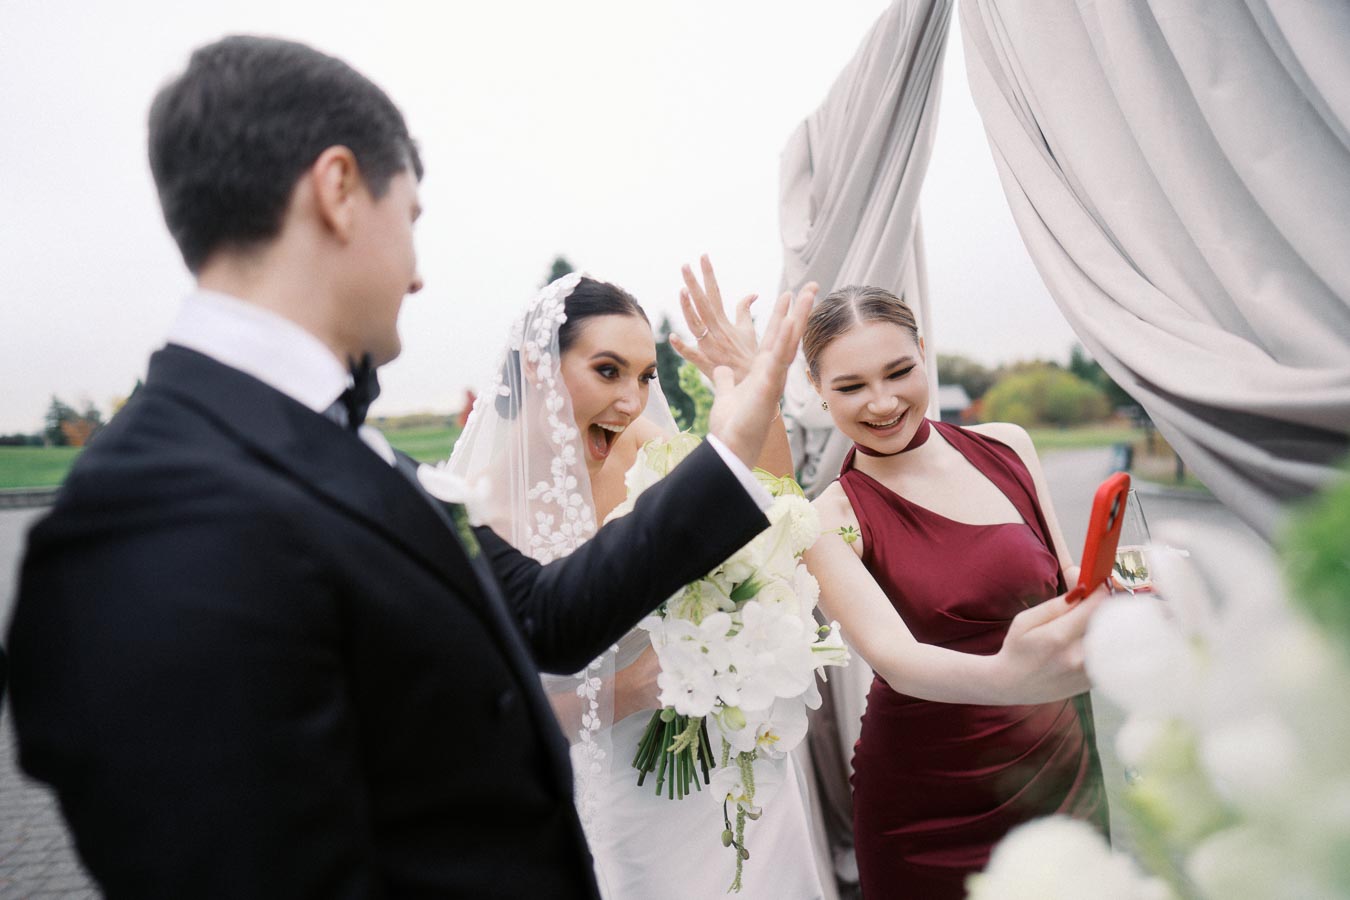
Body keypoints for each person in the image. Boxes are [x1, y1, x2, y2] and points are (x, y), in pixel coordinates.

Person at [4, 35, 812, 899]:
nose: (421, 275)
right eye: (413, 217)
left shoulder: (343, 443)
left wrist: (728, 449)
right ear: (340, 189)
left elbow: (545, 615)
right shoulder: (151, 512)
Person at [442, 264, 824, 898]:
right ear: (537, 367)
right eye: (608, 370)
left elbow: (770, 504)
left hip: (723, 776)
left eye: (646, 376)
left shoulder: (641, 444)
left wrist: (762, 391)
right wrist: (628, 690)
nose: (633, 400)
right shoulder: (478, 521)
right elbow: (483, 714)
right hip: (619, 801)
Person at [800, 285, 1109, 899]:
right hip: (927, 797)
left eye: (899, 372)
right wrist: (1016, 678)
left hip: (1059, 760)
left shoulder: (1008, 446)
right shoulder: (827, 517)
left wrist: (1118, 592)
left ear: (923, 350)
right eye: (851, 386)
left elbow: (1065, 578)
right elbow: (897, 660)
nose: (883, 403)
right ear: (817, 389)